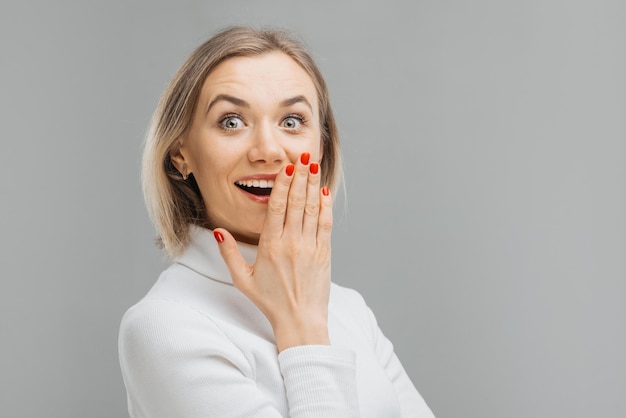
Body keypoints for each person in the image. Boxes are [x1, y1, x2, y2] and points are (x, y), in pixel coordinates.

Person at [118, 25, 435, 418]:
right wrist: (302, 329)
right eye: (231, 121)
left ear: (321, 145)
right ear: (181, 153)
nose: (268, 151)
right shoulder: (163, 326)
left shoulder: (349, 309)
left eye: (291, 121)